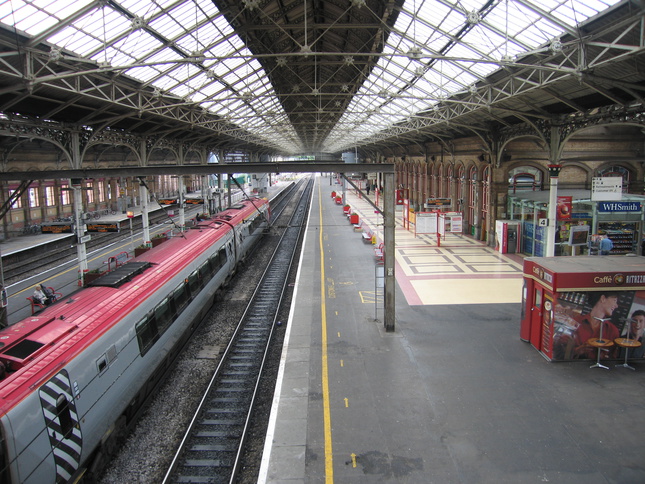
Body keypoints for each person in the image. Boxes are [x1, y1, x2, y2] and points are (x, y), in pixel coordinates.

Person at [553, 291, 622, 360]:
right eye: (614, 300)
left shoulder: (613, 331)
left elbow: (613, 359)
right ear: (603, 298)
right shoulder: (574, 322)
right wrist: (577, 351)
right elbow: (558, 353)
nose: (616, 306)